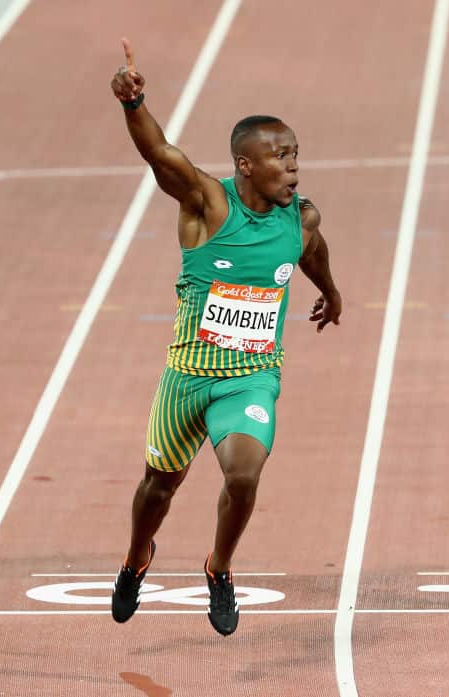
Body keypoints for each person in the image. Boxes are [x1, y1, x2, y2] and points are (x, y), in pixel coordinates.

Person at [108, 38, 342, 635]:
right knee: (158, 488)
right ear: (245, 164)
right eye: (280, 155)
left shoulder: (300, 215)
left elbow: (310, 249)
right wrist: (135, 105)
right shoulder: (206, 203)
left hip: (251, 376)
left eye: (296, 153)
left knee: (242, 474)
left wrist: (331, 291)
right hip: (187, 377)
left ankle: (219, 568)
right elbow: (160, 153)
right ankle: (138, 558)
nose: (293, 165)